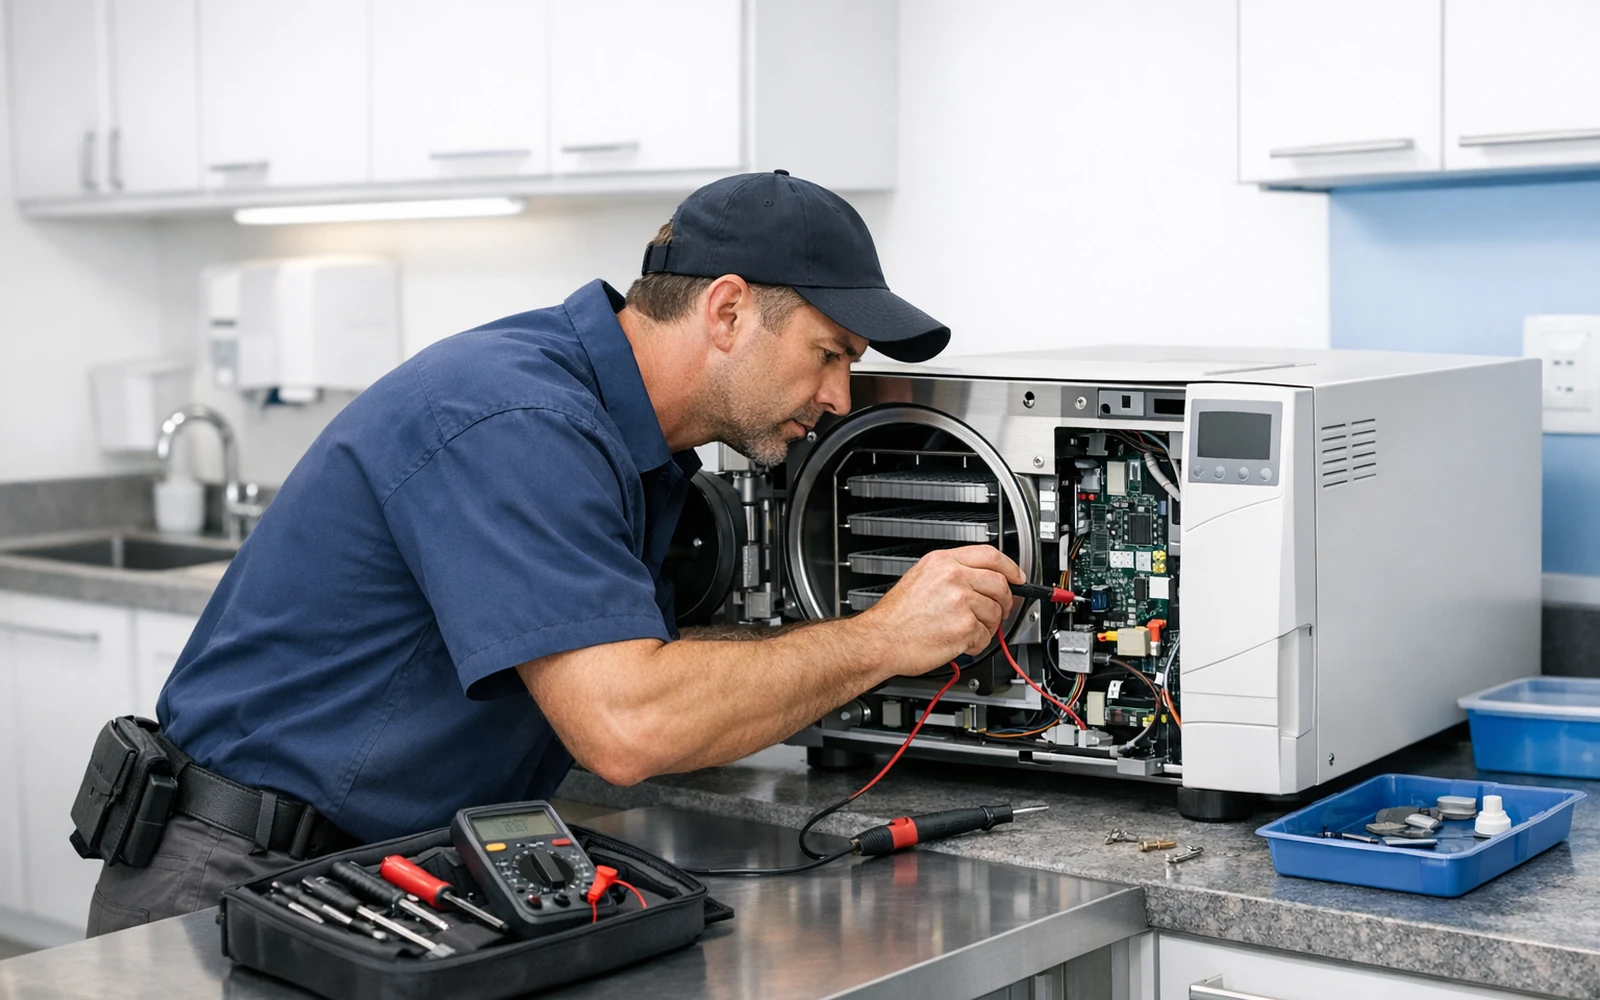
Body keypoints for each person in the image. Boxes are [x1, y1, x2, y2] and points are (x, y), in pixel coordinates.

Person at [84, 170, 1023, 935]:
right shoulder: (520, 419)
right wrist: (882, 637)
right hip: (234, 877)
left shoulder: (629, 446)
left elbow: (637, 677)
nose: (841, 397)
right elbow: (628, 726)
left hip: (376, 875)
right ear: (728, 311)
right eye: (830, 352)